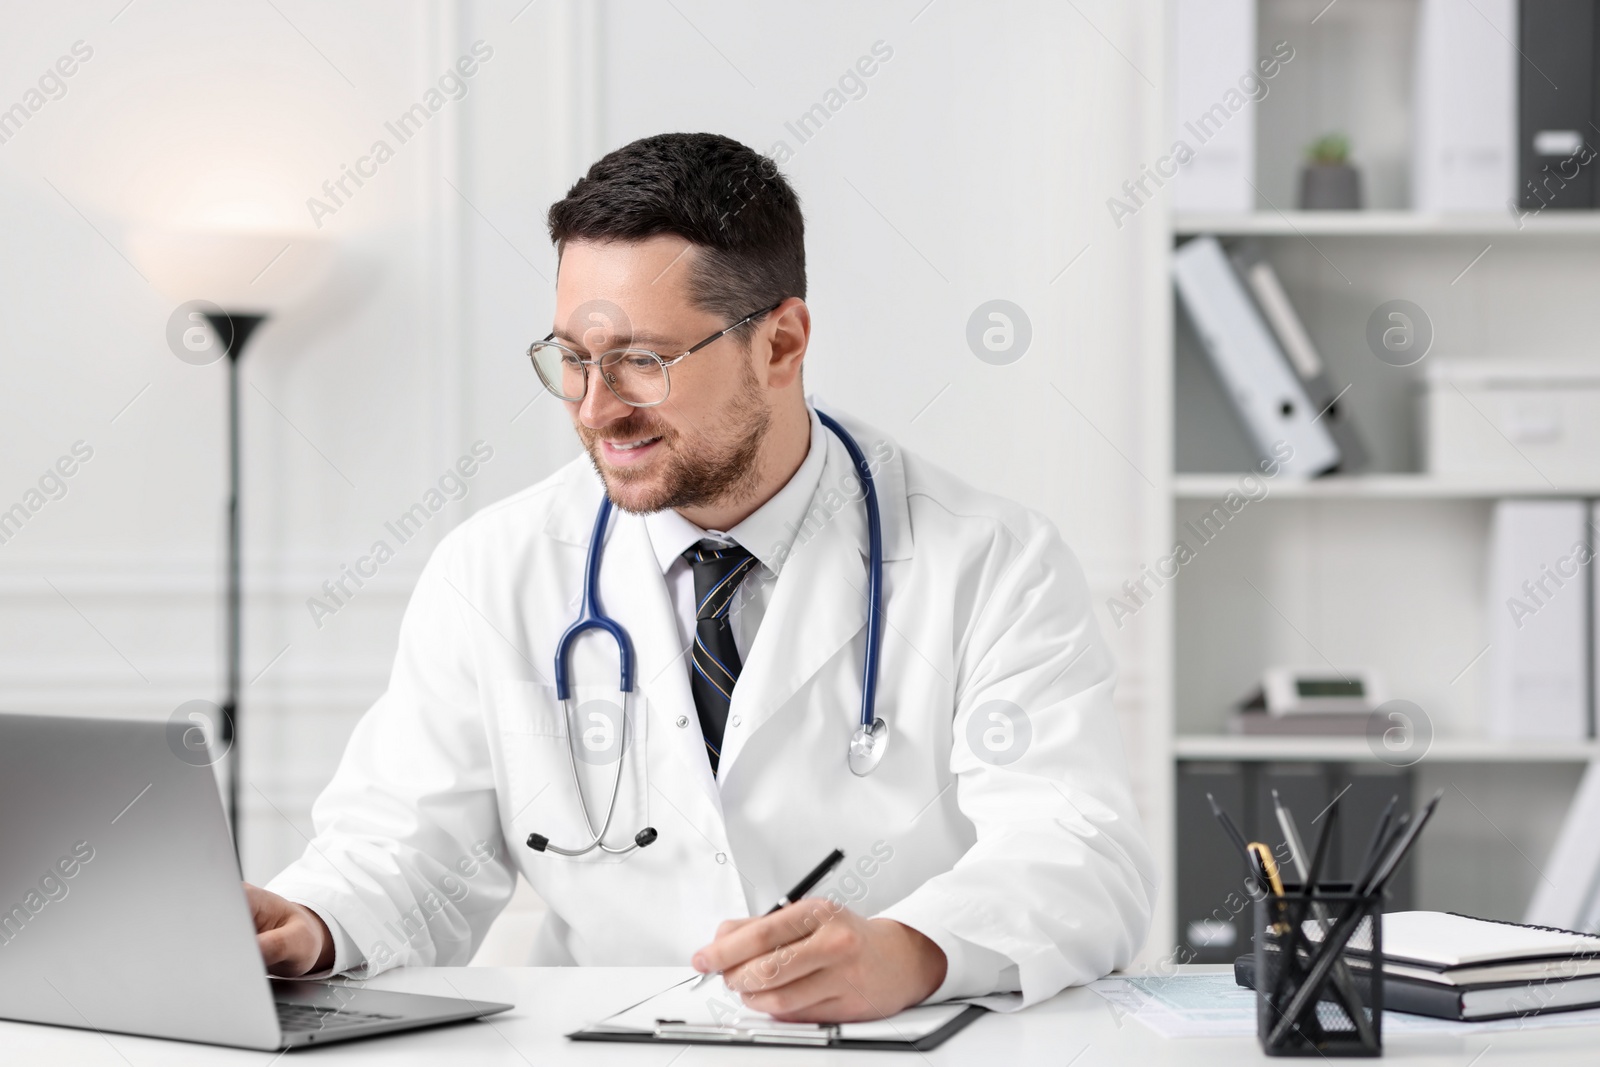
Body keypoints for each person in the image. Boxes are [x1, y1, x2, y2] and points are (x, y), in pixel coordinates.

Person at [248, 132, 1154, 1023]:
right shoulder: (493, 569)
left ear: (782, 344)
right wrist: (316, 921)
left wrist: (911, 949)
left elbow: (1079, 854)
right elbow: (410, 852)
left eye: (644, 360)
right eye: (572, 358)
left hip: (882, 1045)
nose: (598, 408)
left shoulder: (992, 562)